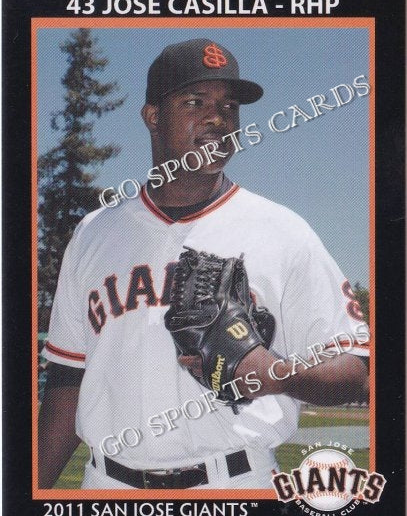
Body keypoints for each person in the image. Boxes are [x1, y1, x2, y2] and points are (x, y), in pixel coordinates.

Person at [39, 38, 369, 489]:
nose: (218, 118)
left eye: (229, 107)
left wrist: (271, 372)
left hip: (235, 482)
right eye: (195, 102)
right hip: (107, 486)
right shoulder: (94, 232)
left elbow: (355, 371)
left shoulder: (283, 231)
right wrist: (21, 500)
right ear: (152, 116)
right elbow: (65, 380)